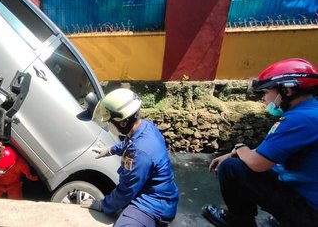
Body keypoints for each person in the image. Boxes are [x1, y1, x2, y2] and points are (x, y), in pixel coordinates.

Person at [202, 58, 318, 227]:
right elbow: (268, 152)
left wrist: (239, 148)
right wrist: (235, 152)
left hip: (309, 212)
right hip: (308, 197)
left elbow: (257, 163)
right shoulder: (311, 111)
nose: (264, 99)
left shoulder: (298, 120)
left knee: (231, 168)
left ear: (288, 90)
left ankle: (239, 222)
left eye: (266, 92)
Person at [82, 88, 179, 227]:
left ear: (123, 122)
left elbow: (126, 191)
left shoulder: (140, 152)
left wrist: (103, 205)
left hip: (153, 203)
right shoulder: (145, 127)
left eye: (110, 121)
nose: (109, 124)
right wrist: (110, 150)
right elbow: (129, 144)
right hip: (152, 192)